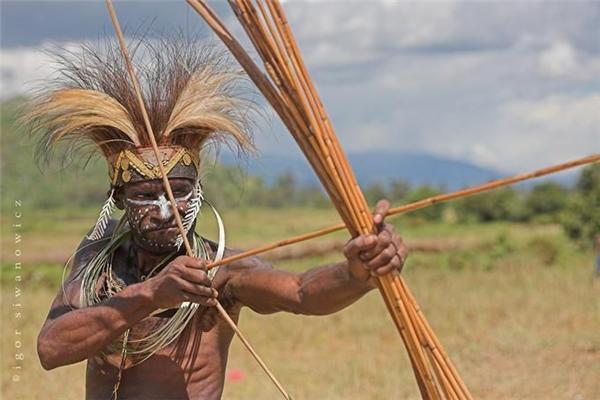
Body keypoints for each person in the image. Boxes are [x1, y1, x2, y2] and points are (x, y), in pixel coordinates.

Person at [28, 38, 408, 399]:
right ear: (120, 198)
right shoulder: (99, 259)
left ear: (198, 192)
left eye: (179, 192)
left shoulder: (220, 273)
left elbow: (301, 292)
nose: (166, 211)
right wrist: (149, 294)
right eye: (145, 195)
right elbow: (51, 348)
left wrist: (356, 274)